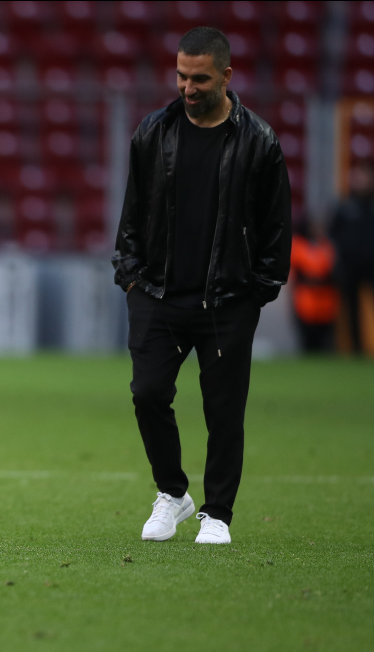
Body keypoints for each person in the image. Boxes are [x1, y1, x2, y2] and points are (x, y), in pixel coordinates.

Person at [112, 27, 291, 544]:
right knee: (147, 394)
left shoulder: (260, 141)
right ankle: (173, 494)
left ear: (226, 76)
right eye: (181, 76)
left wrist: (261, 287)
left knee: (224, 408)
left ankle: (217, 514)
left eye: (200, 79)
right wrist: (129, 275)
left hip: (229, 300)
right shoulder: (152, 131)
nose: (188, 88)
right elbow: (133, 211)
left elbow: (277, 224)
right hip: (158, 294)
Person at [329, 161, 374, 355]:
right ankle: (356, 350)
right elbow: (333, 235)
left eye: (365, 176)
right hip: (350, 267)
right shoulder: (346, 206)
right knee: (351, 310)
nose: (361, 180)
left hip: (372, 265)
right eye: (358, 176)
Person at [290, 219, 339, 353]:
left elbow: (334, 271)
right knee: (307, 339)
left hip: (325, 299)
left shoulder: (328, 246)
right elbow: (297, 271)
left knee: (323, 339)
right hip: (306, 299)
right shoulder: (299, 245)